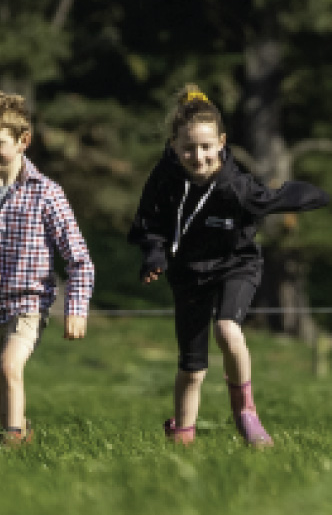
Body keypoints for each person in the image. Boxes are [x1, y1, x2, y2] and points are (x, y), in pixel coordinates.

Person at [128, 85, 328, 447]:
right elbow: (148, 221)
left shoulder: (237, 187)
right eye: (188, 148)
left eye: (206, 147)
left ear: (221, 142)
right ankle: (182, 438)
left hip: (235, 265)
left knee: (227, 330)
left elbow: (279, 198)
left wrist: (321, 195)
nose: (198, 156)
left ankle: (245, 412)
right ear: (174, 146)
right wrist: (154, 255)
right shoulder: (165, 177)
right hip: (188, 274)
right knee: (192, 368)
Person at [0, 90, 94, 445]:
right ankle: (19, 432)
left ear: (23, 141)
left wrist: (76, 308)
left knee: (9, 366)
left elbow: (79, 259)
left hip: (29, 303)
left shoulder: (47, 193)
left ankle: (11, 440)